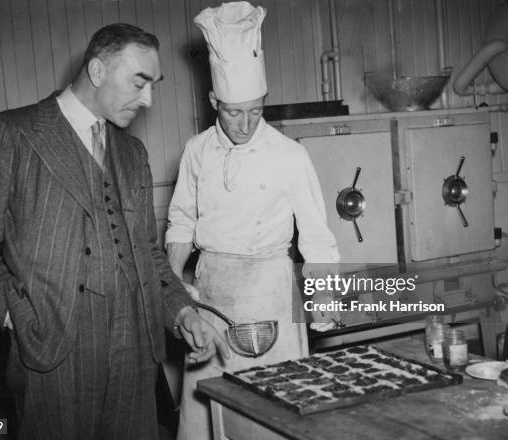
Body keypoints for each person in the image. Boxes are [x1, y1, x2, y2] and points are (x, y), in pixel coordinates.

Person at [0, 23, 229, 440]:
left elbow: (147, 253)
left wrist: (182, 311)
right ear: (97, 70)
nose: (148, 99)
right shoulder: (12, 134)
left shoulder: (132, 153)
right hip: (52, 353)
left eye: (154, 85)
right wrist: (15, 315)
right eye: (140, 82)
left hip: (135, 354)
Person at [164, 3, 340, 439]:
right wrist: (171, 290)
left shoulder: (289, 155)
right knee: (208, 409)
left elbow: (317, 239)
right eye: (232, 112)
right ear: (213, 102)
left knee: (272, 412)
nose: (244, 125)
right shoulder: (196, 152)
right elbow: (181, 224)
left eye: (255, 111)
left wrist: (325, 304)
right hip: (212, 292)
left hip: (271, 292)